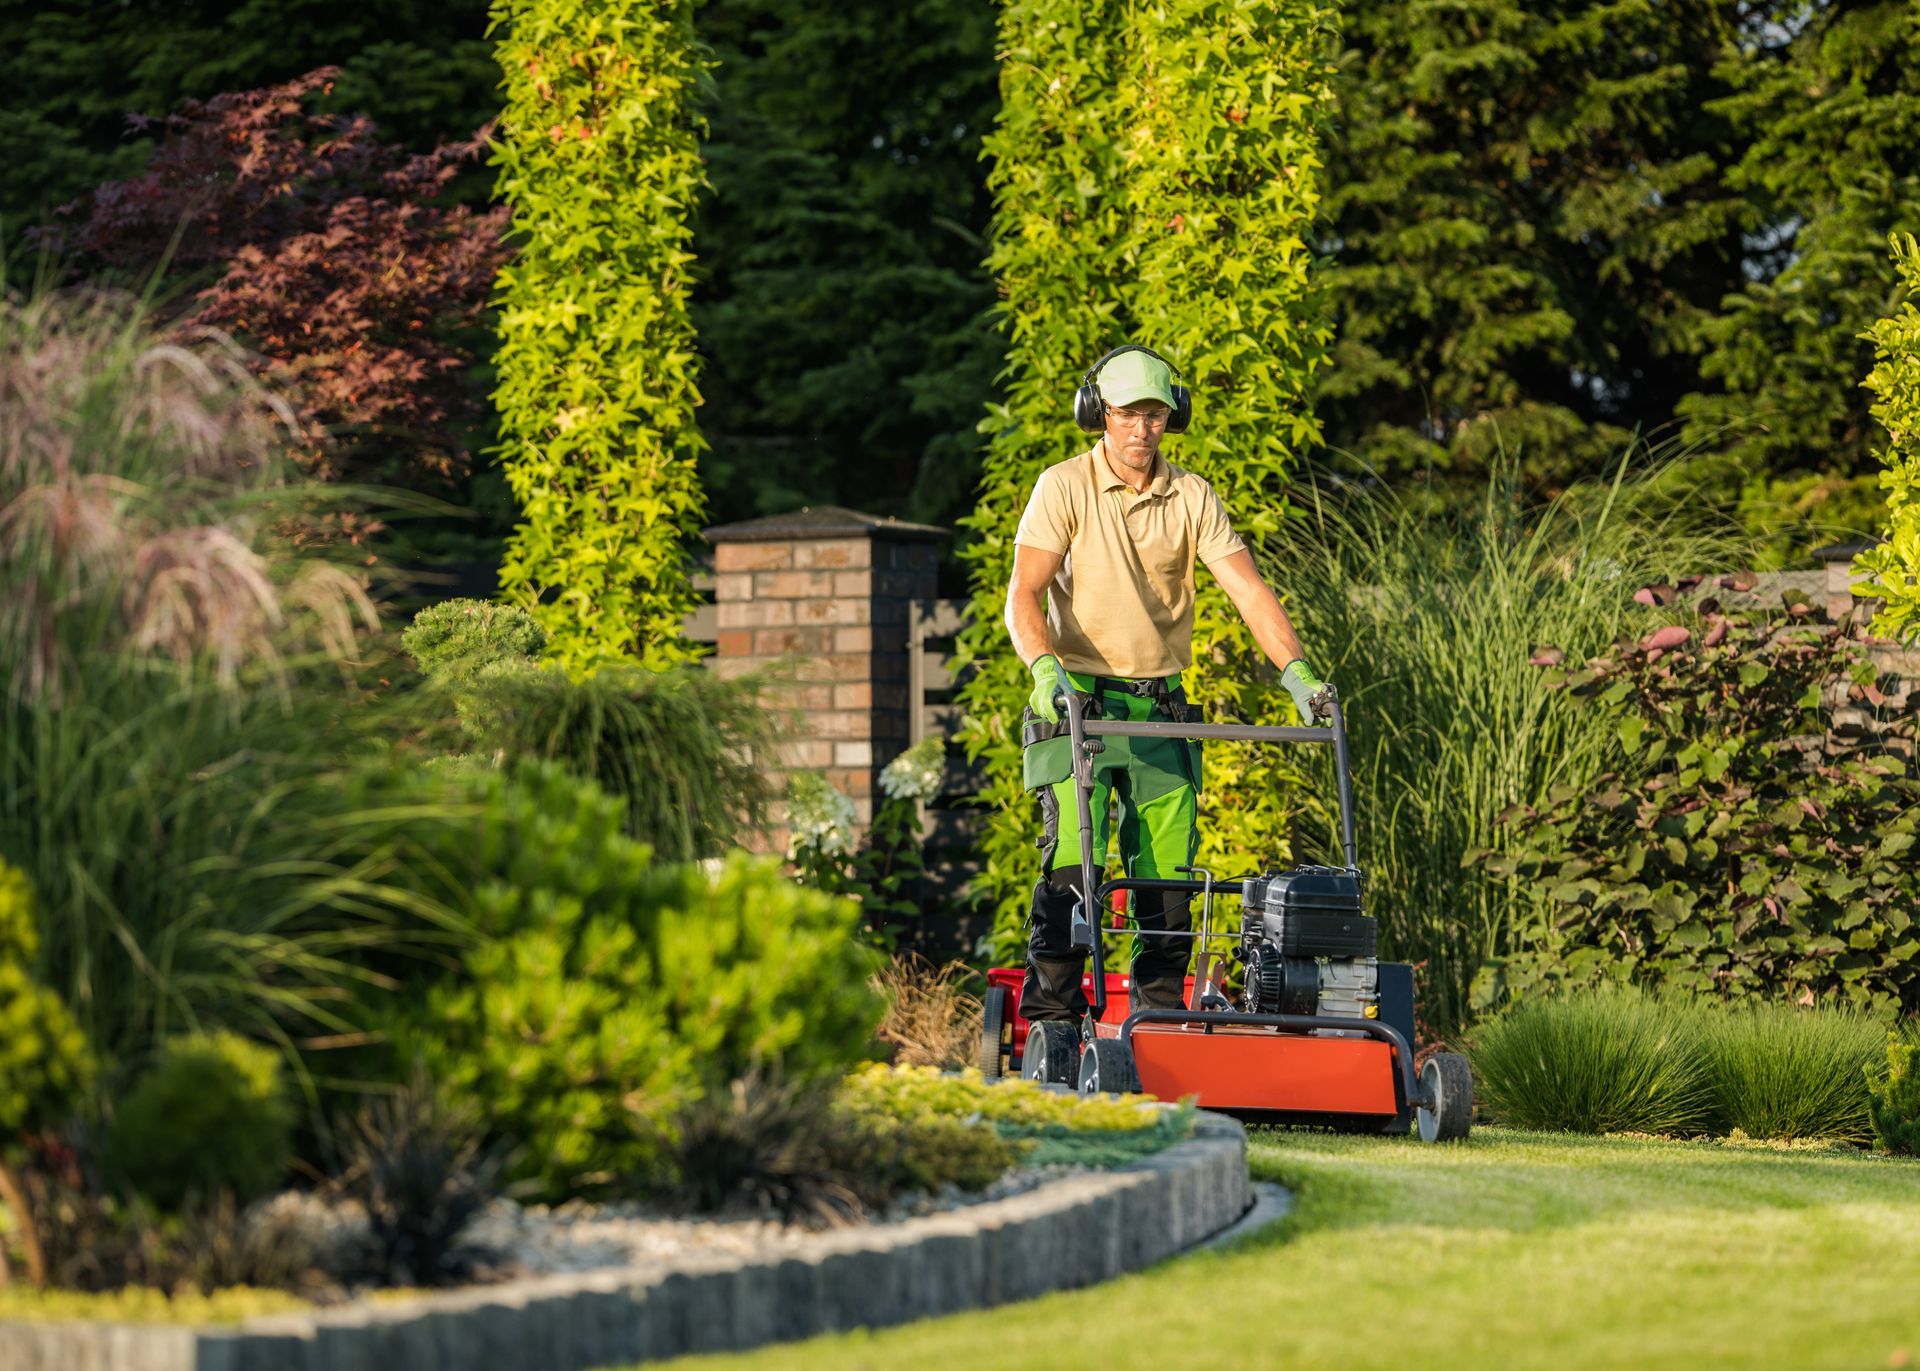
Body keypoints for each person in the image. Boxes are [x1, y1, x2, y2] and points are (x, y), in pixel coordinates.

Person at [1004, 343, 1334, 1022]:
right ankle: (1053, 1023)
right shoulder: (1062, 486)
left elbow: (1247, 590)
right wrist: (1043, 669)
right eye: (1127, 413)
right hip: (1079, 708)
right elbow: (1024, 594)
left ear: (1171, 417)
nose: (1140, 429)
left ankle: (1156, 1021)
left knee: (1166, 886)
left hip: (1160, 710)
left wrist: (1297, 674)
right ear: (1100, 413)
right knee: (1075, 866)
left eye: (1154, 414)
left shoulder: (1191, 495)